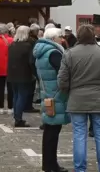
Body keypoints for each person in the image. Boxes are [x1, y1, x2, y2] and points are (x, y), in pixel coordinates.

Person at [58, 24, 100, 172]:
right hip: (99, 97)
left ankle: (80, 168)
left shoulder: (70, 54)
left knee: (79, 134)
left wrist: (67, 91)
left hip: (77, 98)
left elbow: (62, 79)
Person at [33, 27, 70, 172]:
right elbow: (63, 73)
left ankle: (48, 163)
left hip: (47, 92)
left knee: (49, 129)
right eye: (60, 36)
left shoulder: (40, 51)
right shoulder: (54, 53)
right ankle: (50, 165)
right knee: (53, 131)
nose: (62, 39)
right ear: (54, 38)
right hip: (56, 94)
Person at [7, 25, 35, 128]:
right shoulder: (28, 46)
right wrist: (34, 73)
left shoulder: (12, 45)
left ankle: (16, 117)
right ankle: (18, 119)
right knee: (22, 96)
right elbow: (31, 61)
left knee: (16, 96)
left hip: (12, 74)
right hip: (24, 74)